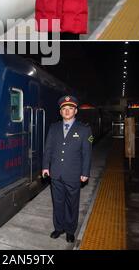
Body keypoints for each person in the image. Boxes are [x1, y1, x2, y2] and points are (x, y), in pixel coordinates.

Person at [42, 95, 93, 243]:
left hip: (74, 174)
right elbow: (48, 149)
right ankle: (59, 228)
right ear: (60, 111)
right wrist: (46, 166)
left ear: (75, 111)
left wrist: (85, 172)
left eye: (70, 108)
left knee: (72, 203)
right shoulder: (54, 128)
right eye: (64, 109)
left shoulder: (84, 129)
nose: (67, 111)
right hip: (56, 173)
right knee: (57, 202)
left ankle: (70, 230)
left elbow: (87, 153)